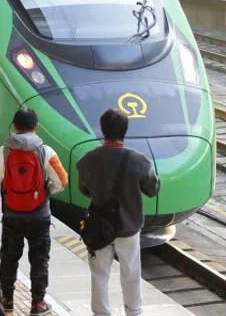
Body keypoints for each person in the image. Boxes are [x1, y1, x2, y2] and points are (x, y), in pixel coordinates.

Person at [77, 109, 161, 316]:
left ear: (102, 129)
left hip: (99, 225)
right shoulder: (138, 160)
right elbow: (152, 189)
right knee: (131, 271)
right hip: (128, 227)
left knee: (99, 273)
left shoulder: (88, 159)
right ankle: (133, 311)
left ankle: (101, 312)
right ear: (125, 131)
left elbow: (83, 189)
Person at [0, 108, 68, 314]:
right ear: (36, 127)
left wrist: (11, 190)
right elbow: (62, 180)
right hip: (39, 216)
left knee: (9, 258)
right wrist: (46, 190)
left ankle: (6, 299)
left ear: (14, 126)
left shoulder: (3, 152)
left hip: (12, 215)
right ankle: (37, 303)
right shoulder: (46, 151)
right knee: (40, 259)